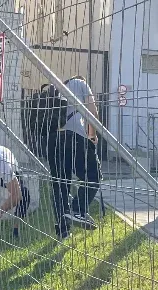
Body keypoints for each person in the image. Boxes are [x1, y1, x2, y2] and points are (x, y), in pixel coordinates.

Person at [47, 76, 102, 238]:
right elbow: (92, 114)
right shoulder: (81, 83)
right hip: (74, 136)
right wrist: (92, 137)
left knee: (60, 183)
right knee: (93, 176)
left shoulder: (56, 88)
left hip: (52, 140)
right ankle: (78, 208)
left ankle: (63, 230)